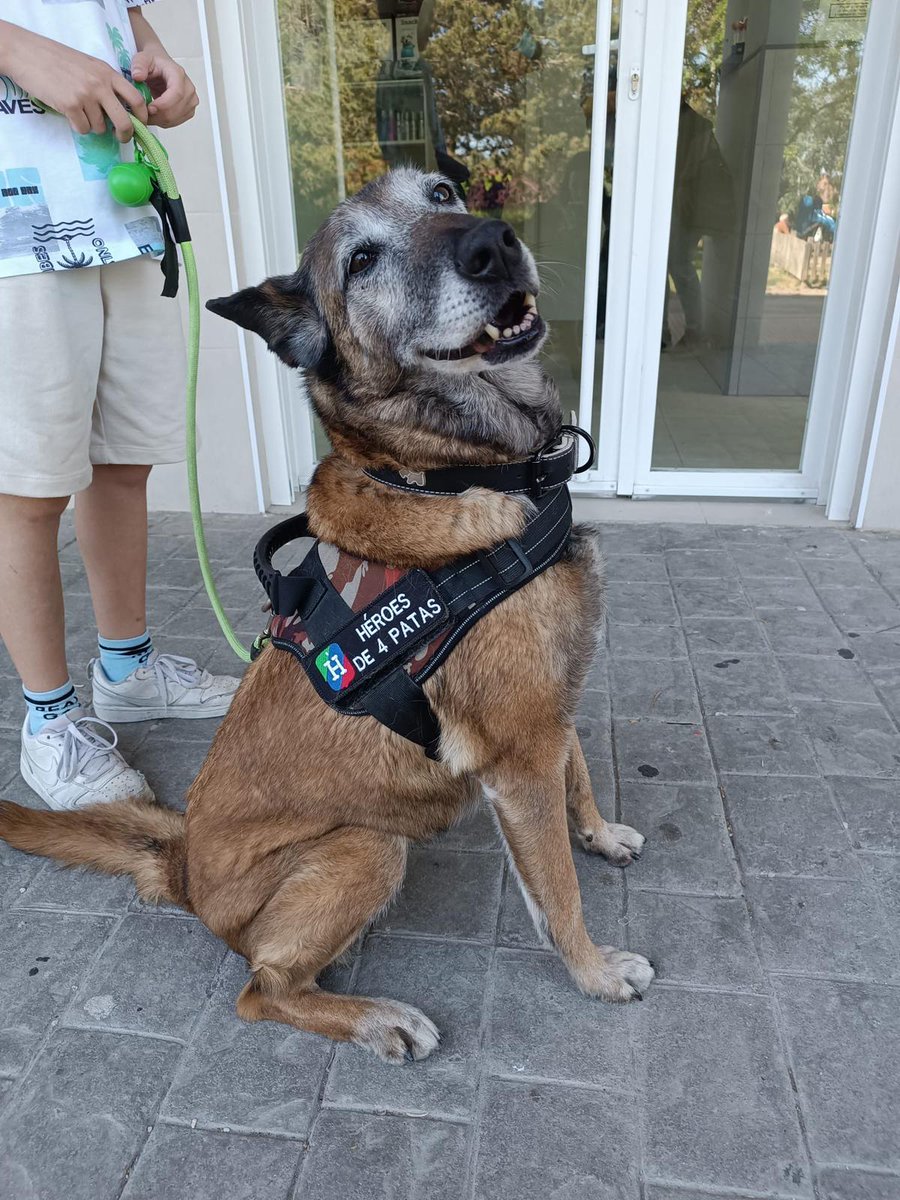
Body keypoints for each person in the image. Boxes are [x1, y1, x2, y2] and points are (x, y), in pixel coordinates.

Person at [0, 2, 240, 811]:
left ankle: (128, 671)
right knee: (26, 489)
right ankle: (48, 723)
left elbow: (126, 22)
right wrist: (15, 47)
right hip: (13, 227)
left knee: (122, 464)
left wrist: (160, 65)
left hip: (121, 210)